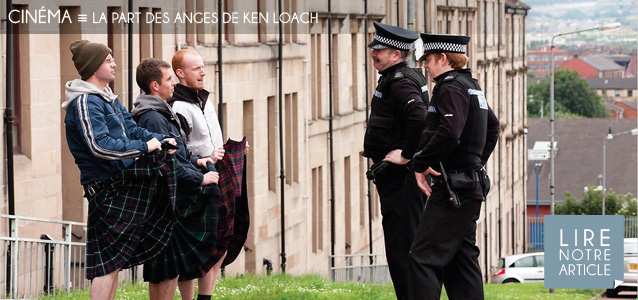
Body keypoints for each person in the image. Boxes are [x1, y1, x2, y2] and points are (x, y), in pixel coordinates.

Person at [62, 40, 177, 300]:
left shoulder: (108, 98)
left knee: (111, 263)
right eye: (107, 60)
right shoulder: (85, 103)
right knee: (106, 263)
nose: (114, 63)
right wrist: (145, 147)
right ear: (93, 67)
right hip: (106, 188)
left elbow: (133, 129)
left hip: (120, 184)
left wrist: (161, 140)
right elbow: (99, 146)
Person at [409, 33, 500, 300]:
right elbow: (492, 127)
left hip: (453, 189)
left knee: (423, 257)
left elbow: (449, 133)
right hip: (469, 186)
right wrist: (475, 162)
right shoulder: (471, 85)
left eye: (428, 59)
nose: (425, 65)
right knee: (462, 259)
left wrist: (421, 162)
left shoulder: (449, 87)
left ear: (443, 58)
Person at [131, 58, 221, 300]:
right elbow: (165, 162)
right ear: (155, 86)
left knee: (167, 268)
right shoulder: (152, 117)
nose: (173, 83)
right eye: (168, 79)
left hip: (169, 196)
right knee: (165, 269)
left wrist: (196, 163)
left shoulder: (161, 112)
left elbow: (177, 155)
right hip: (164, 200)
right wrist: (199, 180)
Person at [362, 22, 429, 300]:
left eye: (380, 50)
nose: (374, 54)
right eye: (373, 48)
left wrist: (405, 154)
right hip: (397, 182)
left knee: (403, 249)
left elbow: (420, 117)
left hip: (401, 182)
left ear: (398, 54)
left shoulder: (400, 82)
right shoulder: (396, 77)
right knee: (402, 247)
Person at [168, 49, 227, 300]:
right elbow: (182, 149)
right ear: (180, 73)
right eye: (196, 68)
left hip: (216, 175)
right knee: (199, 248)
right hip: (196, 180)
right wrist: (206, 161)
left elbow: (212, 136)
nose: (203, 72)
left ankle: (206, 298)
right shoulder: (178, 106)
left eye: (203, 67)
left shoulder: (205, 99)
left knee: (220, 245)